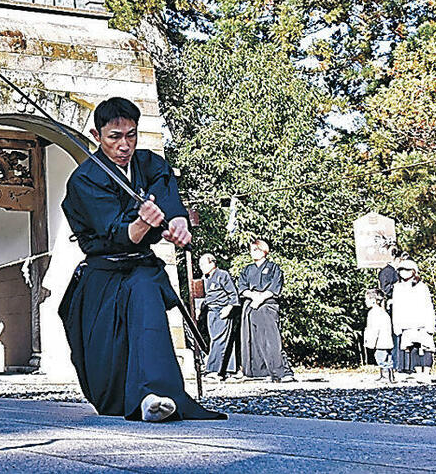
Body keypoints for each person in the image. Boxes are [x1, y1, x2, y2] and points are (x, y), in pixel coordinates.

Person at [59, 97, 223, 422]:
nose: (124, 145)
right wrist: (143, 222)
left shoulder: (150, 164)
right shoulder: (84, 179)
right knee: (104, 364)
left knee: (147, 305)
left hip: (140, 267)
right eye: (114, 137)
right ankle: (125, 397)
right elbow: (120, 233)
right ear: (97, 135)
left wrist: (178, 223)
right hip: (103, 272)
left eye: (131, 135)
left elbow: (170, 201)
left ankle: (155, 395)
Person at [236, 240, 294, 382]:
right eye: (251, 250)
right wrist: (253, 296)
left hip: (267, 305)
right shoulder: (247, 269)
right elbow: (242, 288)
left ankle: (281, 372)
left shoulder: (274, 268)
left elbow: (275, 287)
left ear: (264, 251)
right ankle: (257, 373)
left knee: (271, 340)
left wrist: (260, 298)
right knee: (251, 339)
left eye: (256, 249)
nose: (253, 253)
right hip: (250, 305)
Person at [391, 260, 435, 381]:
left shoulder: (422, 287)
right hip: (406, 322)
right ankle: (418, 372)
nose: (403, 273)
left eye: (407, 270)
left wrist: (430, 323)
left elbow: (428, 305)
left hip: (422, 321)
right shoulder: (397, 288)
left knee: (427, 347)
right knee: (412, 347)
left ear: (414, 271)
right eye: (401, 270)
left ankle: (426, 373)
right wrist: (397, 325)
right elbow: (396, 307)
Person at [198, 253, 239, 378]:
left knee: (219, 340)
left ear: (212, 263)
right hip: (211, 311)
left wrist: (229, 307)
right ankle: (225, 370)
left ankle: (213, 370)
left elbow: (233, 294)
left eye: (203, 264)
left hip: (222, 310)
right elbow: (207, 297)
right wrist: (200, 309)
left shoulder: (223, 275)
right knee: (216, 340)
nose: (201, 267)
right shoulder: (205, 278)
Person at [363, 288, 394, 382]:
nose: (365, 302)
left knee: (381, 359)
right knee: (387, 359)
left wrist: (370, 343)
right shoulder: (382, 312)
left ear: (373, 300)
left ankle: (385, 377)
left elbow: (374, 330)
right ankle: (390, 376)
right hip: (387, 341)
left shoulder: (374, 313)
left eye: (366, 299)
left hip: (380, 342)